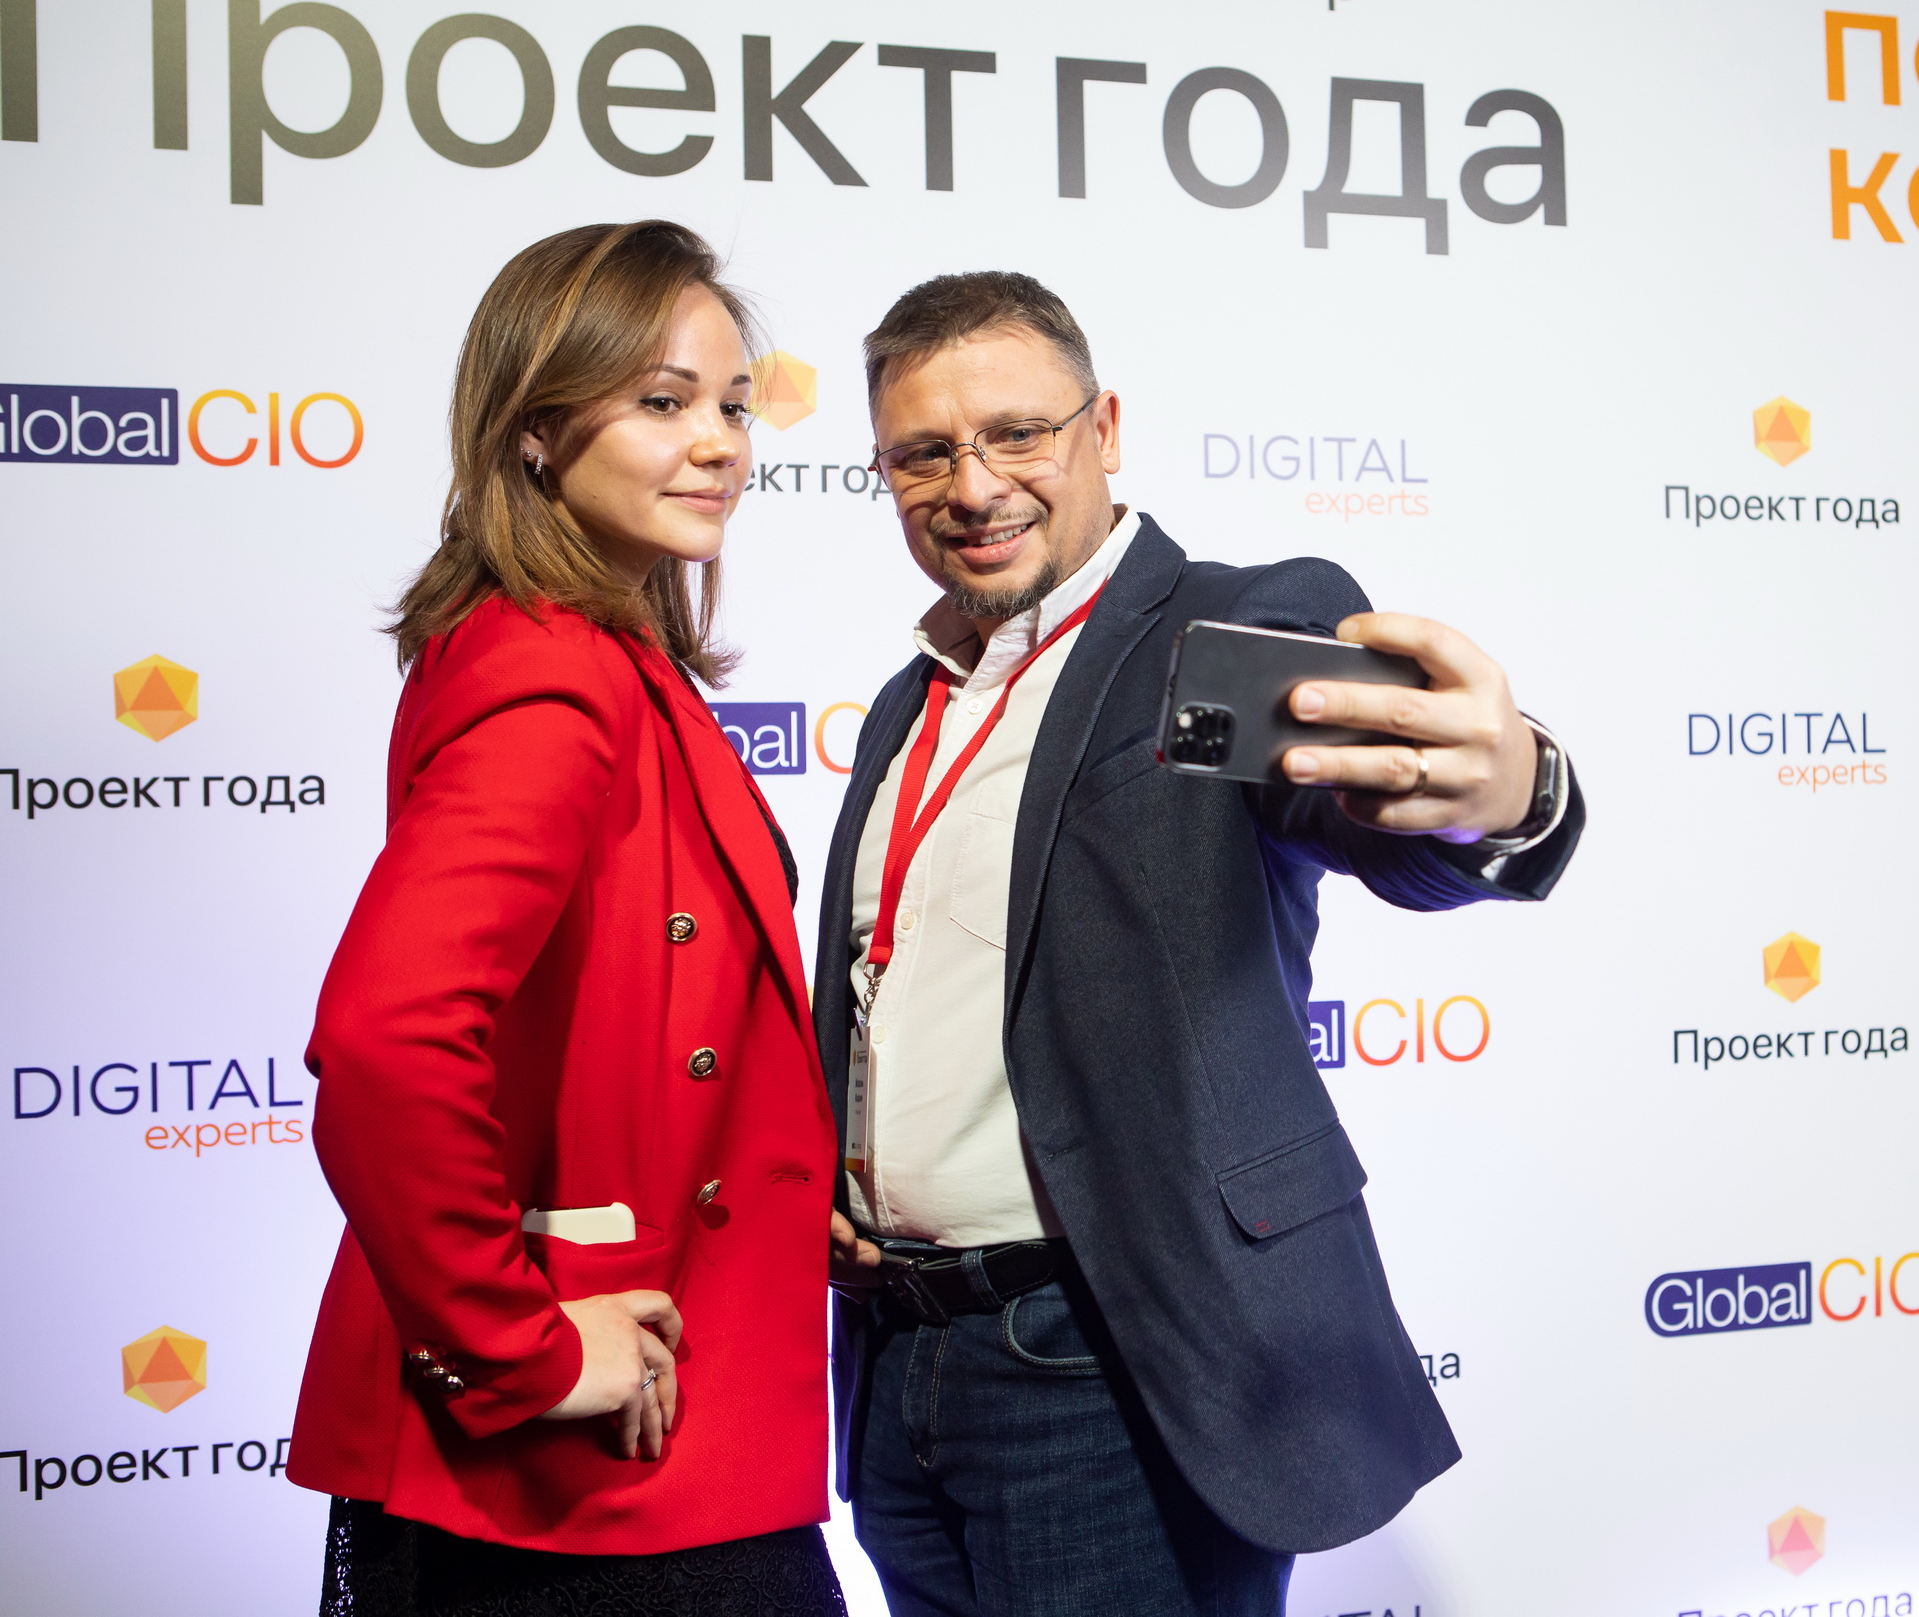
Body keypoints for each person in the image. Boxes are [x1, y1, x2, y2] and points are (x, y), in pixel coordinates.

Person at [817, 272, 1584, 1615]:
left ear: (1105, 428)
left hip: (1113, 1364)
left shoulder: (1228, 636)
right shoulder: (906, 701)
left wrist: (1512, 789)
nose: (973, 485)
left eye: (1017, 433)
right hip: (899, 1369)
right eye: (925, 452)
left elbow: (1378, 801)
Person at [287, 221, 846, 1616]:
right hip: (595, 1467)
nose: (718, 443)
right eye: (662, 400)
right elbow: (387, 1040)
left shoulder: (598, 655)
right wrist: (518, 1347)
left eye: (733, 405)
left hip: (656, 1419)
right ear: (534, 431)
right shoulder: (552, 674)